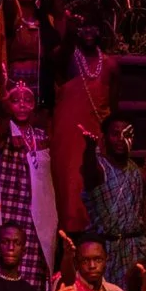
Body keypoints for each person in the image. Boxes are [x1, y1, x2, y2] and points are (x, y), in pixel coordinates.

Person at [0, 80, 57, 288]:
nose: (22, 105)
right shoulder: (4, 131)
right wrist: (4, 106)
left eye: (27, 100)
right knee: (6, 260)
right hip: (9, 209)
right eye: (15, 101)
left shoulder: (41, 136)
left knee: (33, 266)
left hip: (35, 215)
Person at [49, 16, 115, 233]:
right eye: (84, 26)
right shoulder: (67, 56)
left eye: (93, 26)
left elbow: (113, 104)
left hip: (98, 132)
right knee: (70, 189)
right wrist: (69, 32)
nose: (88, 31)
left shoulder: (110, 64)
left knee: (97, 185)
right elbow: (57, 61)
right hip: (69, 134)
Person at [79, 113, 146, 275]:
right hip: (107, 248)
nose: (120, 139)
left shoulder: (136, 171)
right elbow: (90, 172)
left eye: (127, 134)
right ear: (105, 137)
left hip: (134, 248)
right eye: (115, 134)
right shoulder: (100, 167)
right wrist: (89, 148)